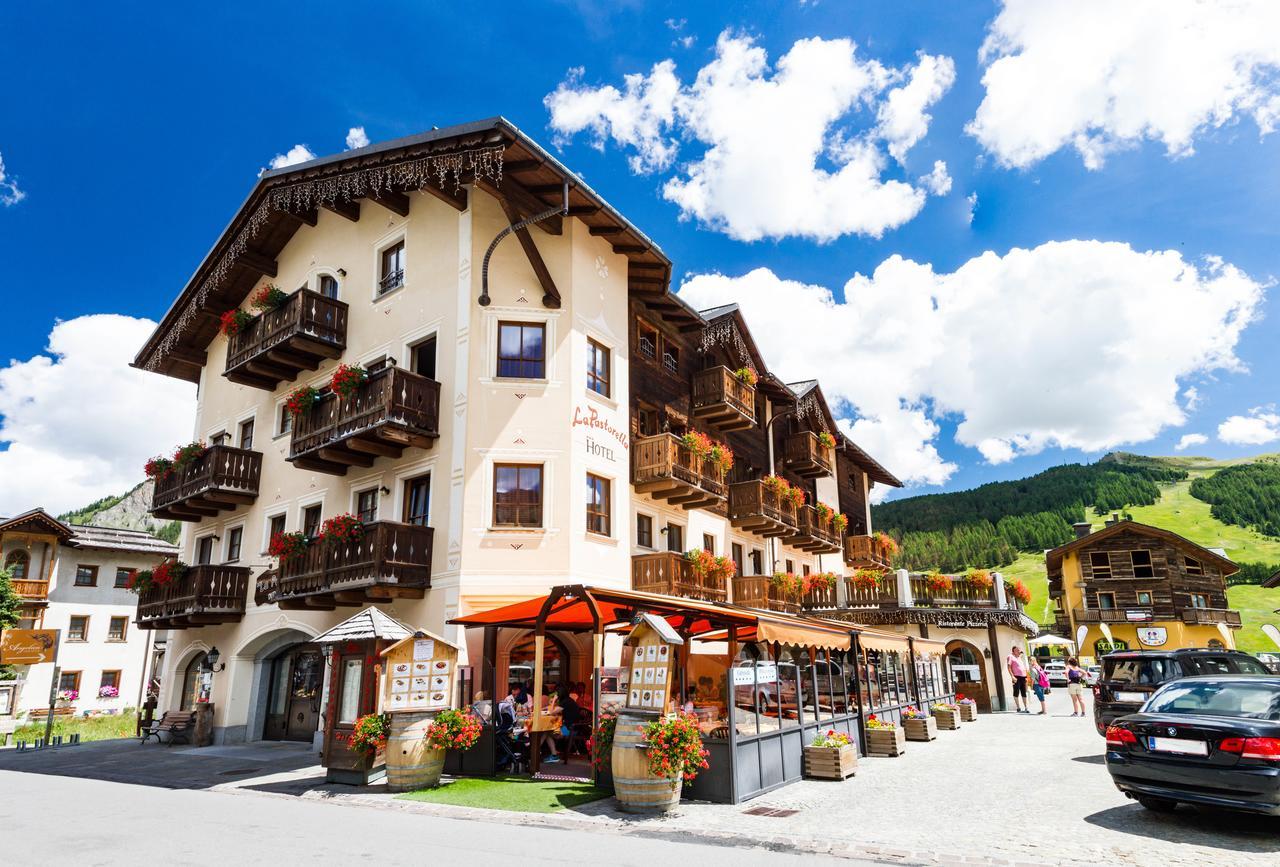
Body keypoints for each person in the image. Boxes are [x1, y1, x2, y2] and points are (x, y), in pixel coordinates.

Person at [1006, 645, 1029, 714]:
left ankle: (1026, 707)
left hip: (1023, 677)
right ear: (1014, 651)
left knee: (1024, 692)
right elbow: (1009, 667)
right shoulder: (1010, 656)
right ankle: (1018, 707)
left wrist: (1026, 676)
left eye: (1019, 650)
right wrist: (1012, 676)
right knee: (1016, 692)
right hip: (1016, 677)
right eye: (1018, 650)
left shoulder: (1019, 657)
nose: (1019, 651)